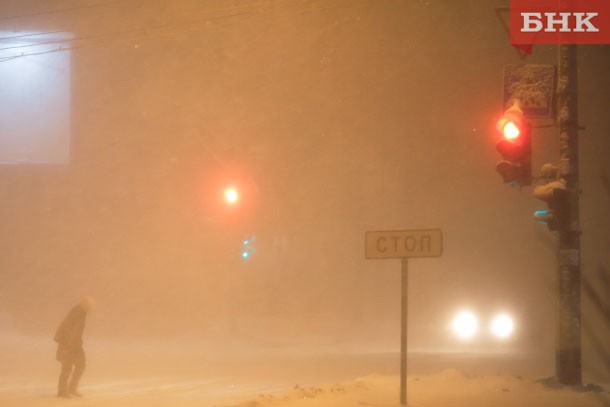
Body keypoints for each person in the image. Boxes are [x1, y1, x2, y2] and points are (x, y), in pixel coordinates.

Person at [53, 297, 94, 398]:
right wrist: (68, 343)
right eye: (89, 306)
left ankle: (71, 388)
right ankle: (62, 392)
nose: (91, 308)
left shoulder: (81, 313)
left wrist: (75, 343)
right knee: (67, 367)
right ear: (84, 304)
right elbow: (68, 328)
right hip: (67, 343)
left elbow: (75, 331)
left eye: (91, 306)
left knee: (80, 365)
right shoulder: (77, 313)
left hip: (75, 344)